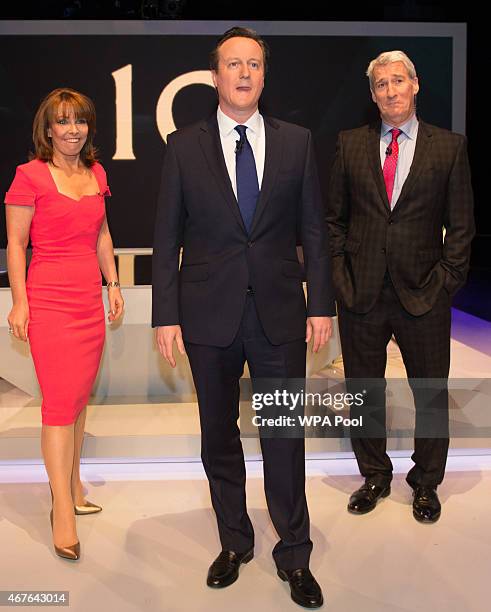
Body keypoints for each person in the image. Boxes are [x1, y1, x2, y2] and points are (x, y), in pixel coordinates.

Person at [152, 27, 334, 609]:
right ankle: (235, 541)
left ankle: (295, 553)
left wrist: (322, 303)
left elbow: (314, 231)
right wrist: (165, 313)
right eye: (234, 63)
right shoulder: (184, 146)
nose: (245, 73)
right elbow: (165, 239)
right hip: (207, 316)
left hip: (280, 311)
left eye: (254, 63)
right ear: (216, 76)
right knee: (218, 436)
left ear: (264, 74)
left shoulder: (297, 141)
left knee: (285, 435)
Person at [326, 50, 475, 523]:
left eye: (397, 81)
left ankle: (426, 483)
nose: (390, 91)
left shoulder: (448, 147)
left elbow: (463, 226)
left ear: (415, 86)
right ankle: (374, 475)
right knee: (364, 393)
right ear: (372, 95)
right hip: (361, 295)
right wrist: (340, 278)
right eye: (380, 85)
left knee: (430, 394)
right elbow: (333, 220)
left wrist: (445, 283)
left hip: (424, 295)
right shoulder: (350, 144)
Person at [4, 88, 124, 560]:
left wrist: (112, 283)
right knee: (58, 404)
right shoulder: (29, 175)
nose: (72, 129)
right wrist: (19, 303)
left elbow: (102, 232)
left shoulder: (97, 173)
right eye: (63, 121)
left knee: (78, 398)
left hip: (87, 301)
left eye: (80, 121)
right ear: (47, 128)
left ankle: (73, 484)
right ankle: (61, 510)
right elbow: (16, 245)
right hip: (48, 299)